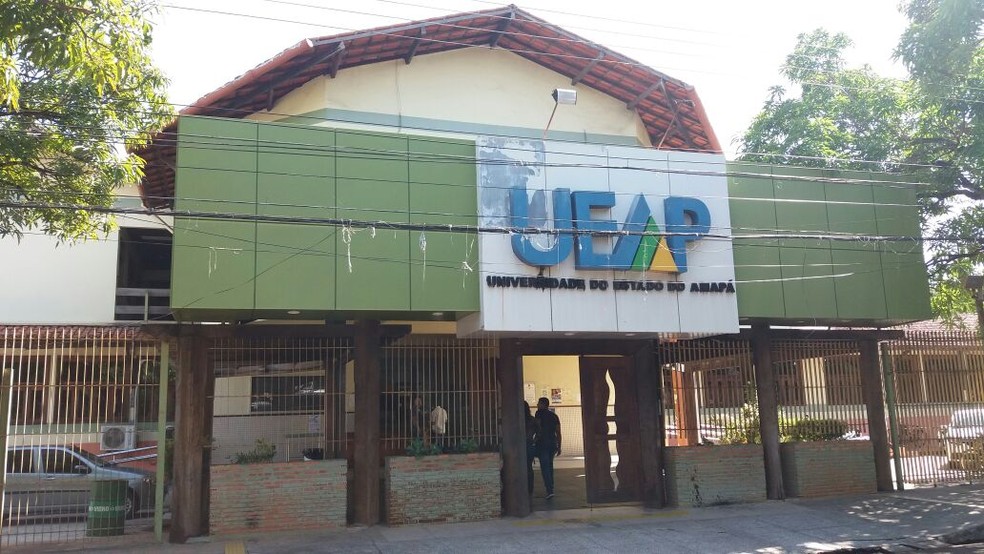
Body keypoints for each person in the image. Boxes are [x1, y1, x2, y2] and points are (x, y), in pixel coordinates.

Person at [534, 397, 561, 499]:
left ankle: (549, 490)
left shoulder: (539, 414)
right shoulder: (554, 416)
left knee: (545, 467)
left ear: (543, 404)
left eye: (539, 403)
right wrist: (559, 446)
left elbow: (538, 428)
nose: (537, 405)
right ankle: (551, 487)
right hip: (552, 443)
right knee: (550, 466)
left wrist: (535, 440)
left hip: (542, 444)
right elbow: (558, 432)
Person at [524, 401, 539, 495]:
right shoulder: (532, 419)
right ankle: (530, 489)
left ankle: (519, 487)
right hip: (529, 444)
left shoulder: (515, 419)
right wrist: (534, 440)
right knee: (529, 468)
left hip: (517, 445)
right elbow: (539, 432)